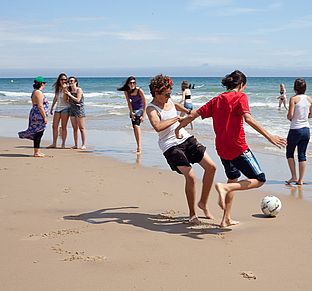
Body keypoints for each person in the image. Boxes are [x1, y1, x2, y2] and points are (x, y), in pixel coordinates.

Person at [176, 70, 287, 228]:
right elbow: (248, 118)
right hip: (238, 147)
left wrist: (178, 127)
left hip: (222, 149)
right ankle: (224, 187)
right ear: (241, 85)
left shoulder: (216, 100)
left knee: (233, 178)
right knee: (260, 179)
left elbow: (194, 114)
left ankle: (225, 219)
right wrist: (270, 137)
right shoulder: (241, 97)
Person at [146, 74, 217, 224]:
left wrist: (190, 113)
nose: (169, 97)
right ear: (156, 93)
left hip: (185, 138)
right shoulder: (151, 109)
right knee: (190, 176)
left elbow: (178, 108)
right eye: (166, 94)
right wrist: (177, 119)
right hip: (170, 145)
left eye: (170, 93)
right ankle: (193, 214)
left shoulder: (169, 100)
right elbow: (158, 126)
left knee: (211, 167)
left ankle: (203, 202)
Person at [285, 78, 312, 185]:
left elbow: (290, 115)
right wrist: (304, 117)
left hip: (295, 129)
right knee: (302, 155)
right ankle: (301, 180)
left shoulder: (293, 99)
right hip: (306, 129)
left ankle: (294, 176)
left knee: (290, 153)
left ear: (295, 89)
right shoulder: (309, 99)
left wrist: (291, 117)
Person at [18, 76, 49, 157]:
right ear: (42, 83)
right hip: (38, 114)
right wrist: (44, 117)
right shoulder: (38, 92)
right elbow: (40, 106)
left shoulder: (36, 91)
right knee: (38, 132)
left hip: (36, 113)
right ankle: (36, 152)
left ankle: (37, 151)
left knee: (39, 132)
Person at [117, 76, 147, 153]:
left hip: (140, 109)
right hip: (133, 109)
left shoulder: (139, 90)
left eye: (134, 82)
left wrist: (143, 115)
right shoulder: (126, 91)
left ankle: (139, 147)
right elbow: (129, 102)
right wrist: (132, 113)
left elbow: (145, 103)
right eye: (131, 83)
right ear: (128, 84)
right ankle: (137, 146)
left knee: (137, 126)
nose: (132, 84)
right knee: (134, 128)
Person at [47, 73, 70, 148]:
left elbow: (64, 99)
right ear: (59, 80)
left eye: (65, 79)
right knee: (54, 126)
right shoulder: (58, 88)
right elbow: (55, 98)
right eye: (62, 79)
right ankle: (54, 143)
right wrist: (52, 107)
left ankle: (63, 144)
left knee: (63, 127)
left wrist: (64, 89)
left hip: (65, 108)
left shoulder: (68, 88)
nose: (63, 81)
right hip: (57, 108)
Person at [64, 76, 86, 150]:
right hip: (72, 109)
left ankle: (83, 144)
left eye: (71, 81)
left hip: (79, 109)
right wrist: (67, 95)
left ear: (75, 82)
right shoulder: (70, 90)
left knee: (81, 128)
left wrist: (70, 95)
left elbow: (78, 100)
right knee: (74, 128)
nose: (70, 82)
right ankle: (76, 144)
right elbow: (68, 101)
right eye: (69, 81)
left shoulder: (79, 90)